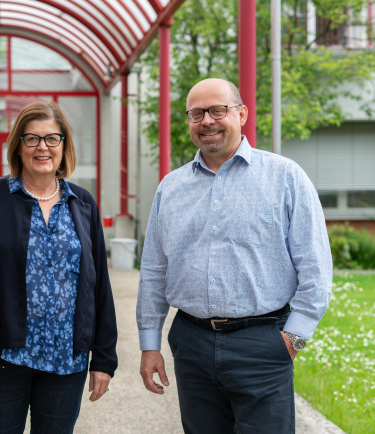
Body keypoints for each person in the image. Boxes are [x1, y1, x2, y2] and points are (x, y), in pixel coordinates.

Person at [136, 78, 332, 433]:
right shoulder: (171, 187)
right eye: (197, 114)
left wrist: (293, 340)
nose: (207, 121)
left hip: (264, 343)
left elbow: (316, 268)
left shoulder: (285, 177)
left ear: (241, 114)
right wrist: (149, 345)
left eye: (217, 110)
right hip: (191, 344)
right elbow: (154, 270)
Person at [0, 102, 118, 434]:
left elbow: (98, 286)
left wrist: (103, 359)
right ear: (18, 145)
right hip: (1, 360)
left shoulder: (82, 203)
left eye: (52, 139)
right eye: (32, 138)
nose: (43, 147)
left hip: (66, 362)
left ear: (64, 145)